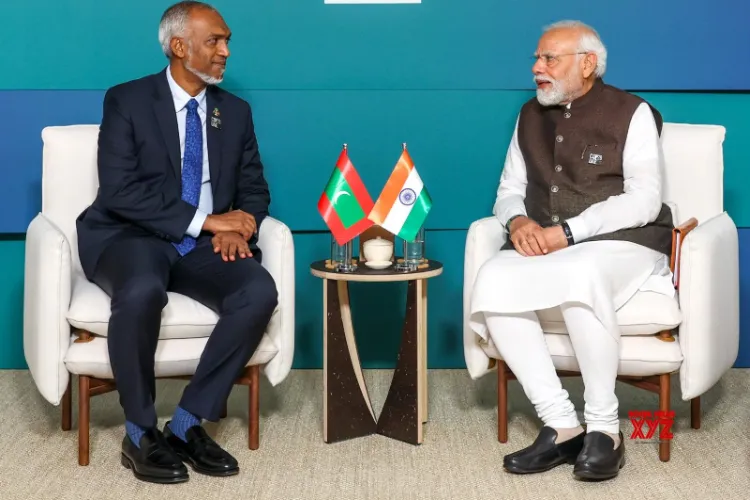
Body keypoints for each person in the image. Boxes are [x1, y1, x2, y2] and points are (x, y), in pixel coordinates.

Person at [75, 1, 278, 484]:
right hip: (131, 236)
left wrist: (243, 223)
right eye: (215, 41)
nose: (225, 51)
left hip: (205, 246)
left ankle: (186, 424)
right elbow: (120, 191)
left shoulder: (235, 111)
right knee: (143, 289)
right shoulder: (126, 99)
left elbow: (254, 187)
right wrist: (210, 222)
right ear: (179, 47)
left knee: (258, 291)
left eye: (227, 40)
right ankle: (139, 431)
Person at [468, 20, 675, 481]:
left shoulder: (632, 111)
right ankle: (561, 424)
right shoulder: (528, 115)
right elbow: (509, 188)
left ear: (587, 64)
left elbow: (644, 200)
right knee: (494, 279)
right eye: (536, 60)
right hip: (552, 244)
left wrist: (569, 232)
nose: (538, 68)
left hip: (627, 243)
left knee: (579, 276)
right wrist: (517, 220)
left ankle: (606, 429)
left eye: (549, 59)